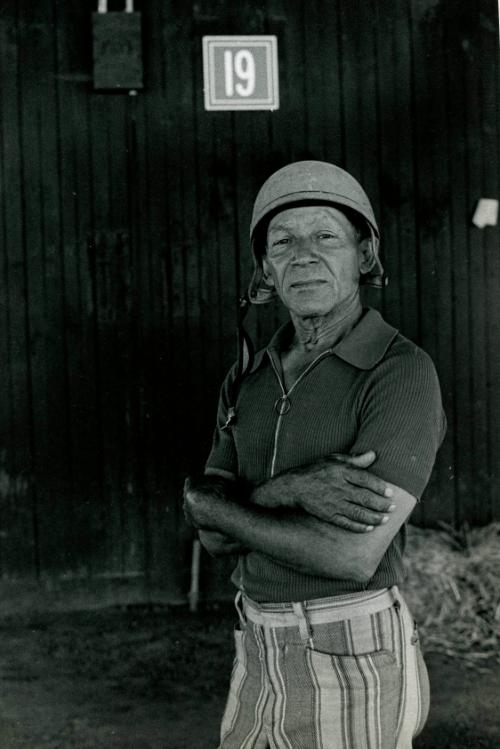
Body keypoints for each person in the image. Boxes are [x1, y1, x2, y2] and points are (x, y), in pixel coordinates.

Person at [183, 161, 446, 749]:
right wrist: (289, 489)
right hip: (256, 646)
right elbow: (211, 536)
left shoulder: (400, 371)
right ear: (265, 271)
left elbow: (351, 554)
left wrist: (219, 503)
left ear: (365, 255)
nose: (303, 255)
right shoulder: (247, 377)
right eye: (283, 242)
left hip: (352, 650)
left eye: (325, 235)